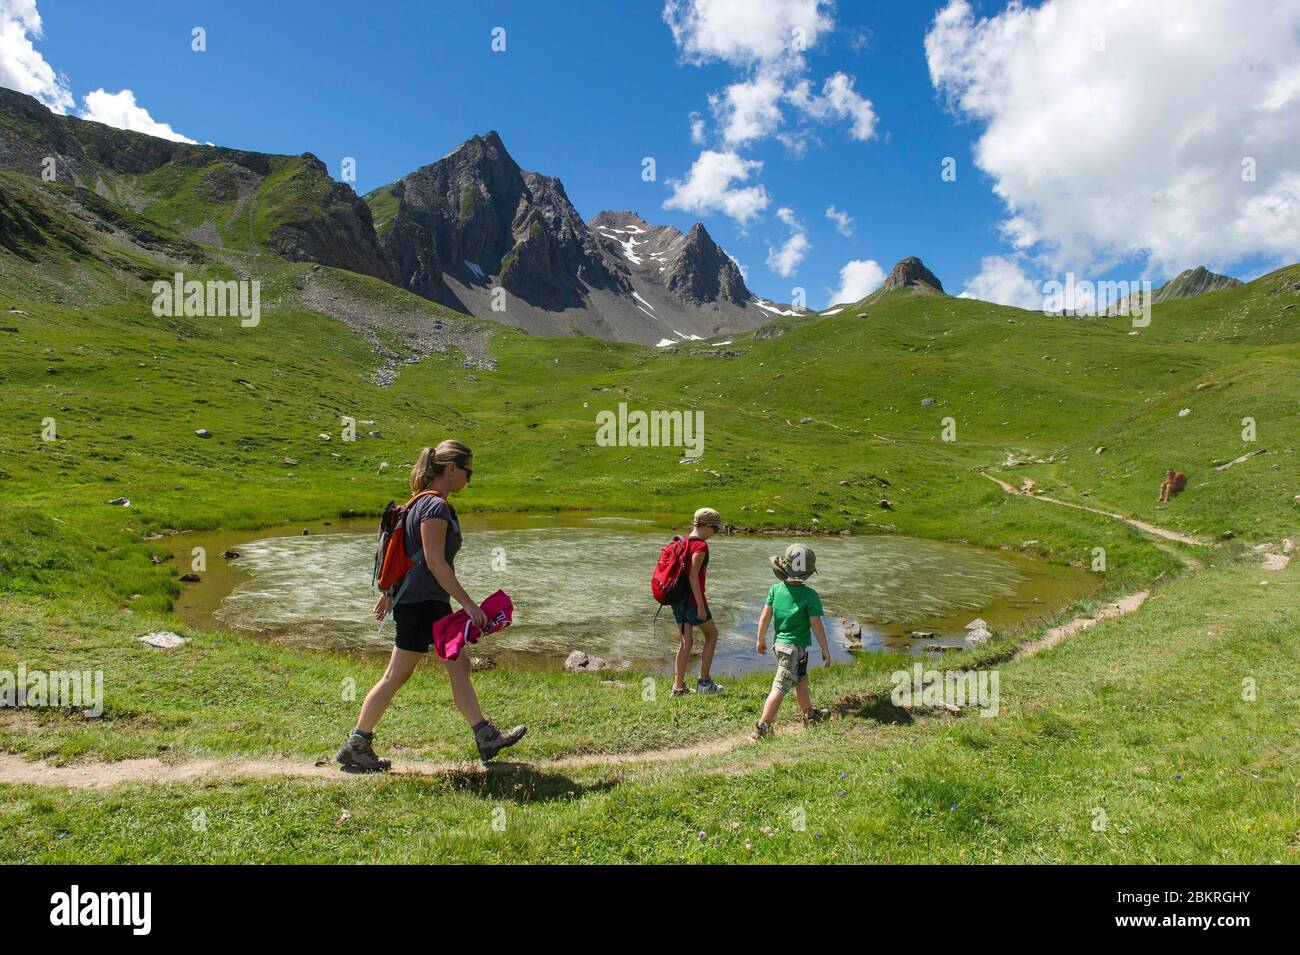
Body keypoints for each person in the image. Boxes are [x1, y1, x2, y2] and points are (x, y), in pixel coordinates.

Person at [336, 440, 526, 771]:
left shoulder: (417, 504)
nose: (469, 479)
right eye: (468, 471)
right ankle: (357, 743)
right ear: (451, 469)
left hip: (421, 602)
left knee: (457, 665)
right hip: (425, 604)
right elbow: (436, 562)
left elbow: (411, 558)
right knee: (397, 675)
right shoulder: (435, 507)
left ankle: (485, 735)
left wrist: (391, 594)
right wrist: (468, 605)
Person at [750, 543, 831, 740]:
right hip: (794, 649)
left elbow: (764, 616)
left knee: (801, 681)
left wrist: (760, 638)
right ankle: (762, 727)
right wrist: (825, 649)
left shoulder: (776, 590)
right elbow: (816, 625)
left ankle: (810, 715)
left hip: (779, 646)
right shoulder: (810, 595)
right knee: (780, 687)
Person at [670, 507, 724, 696]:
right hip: (692, 600)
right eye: (715, 529)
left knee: (686, 642)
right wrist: (700, 605)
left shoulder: (681, 541)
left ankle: (678, 688)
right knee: (712, 635)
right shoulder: (700, 546)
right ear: (707, 526)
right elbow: (693, 575)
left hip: (677, 599)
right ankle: (704, 683)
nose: (714, 534)